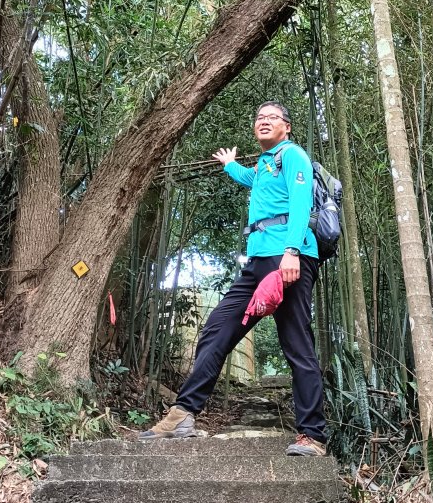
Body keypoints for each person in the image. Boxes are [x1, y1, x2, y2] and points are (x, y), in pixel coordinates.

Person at [140, 102, 327, 456]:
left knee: (297, 344)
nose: (264, 122)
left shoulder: (293, 156)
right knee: (217, 328)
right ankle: (183, 414)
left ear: (287, 127)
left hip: (288, 256)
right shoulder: (264, 164)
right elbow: (248, 178)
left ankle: (312, 435)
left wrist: (292, 252)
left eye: (272, 118)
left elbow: (302, 202)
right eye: (258, 118)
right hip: (258, 260)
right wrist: (229, 165)